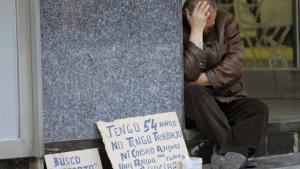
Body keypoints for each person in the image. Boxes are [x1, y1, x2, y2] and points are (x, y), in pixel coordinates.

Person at [182, 0, 269, 168]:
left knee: (258, 109)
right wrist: (197, 31)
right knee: (194, 92)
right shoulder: (175, 28)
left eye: (210, 22)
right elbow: (188, 72)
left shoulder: (226, 21)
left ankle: (228, 155)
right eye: (202, 22)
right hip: (199, 105)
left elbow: (235, 66)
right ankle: (238, 154)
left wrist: (202, 79)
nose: (209, 27)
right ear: (188, 15)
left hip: (225, 97)